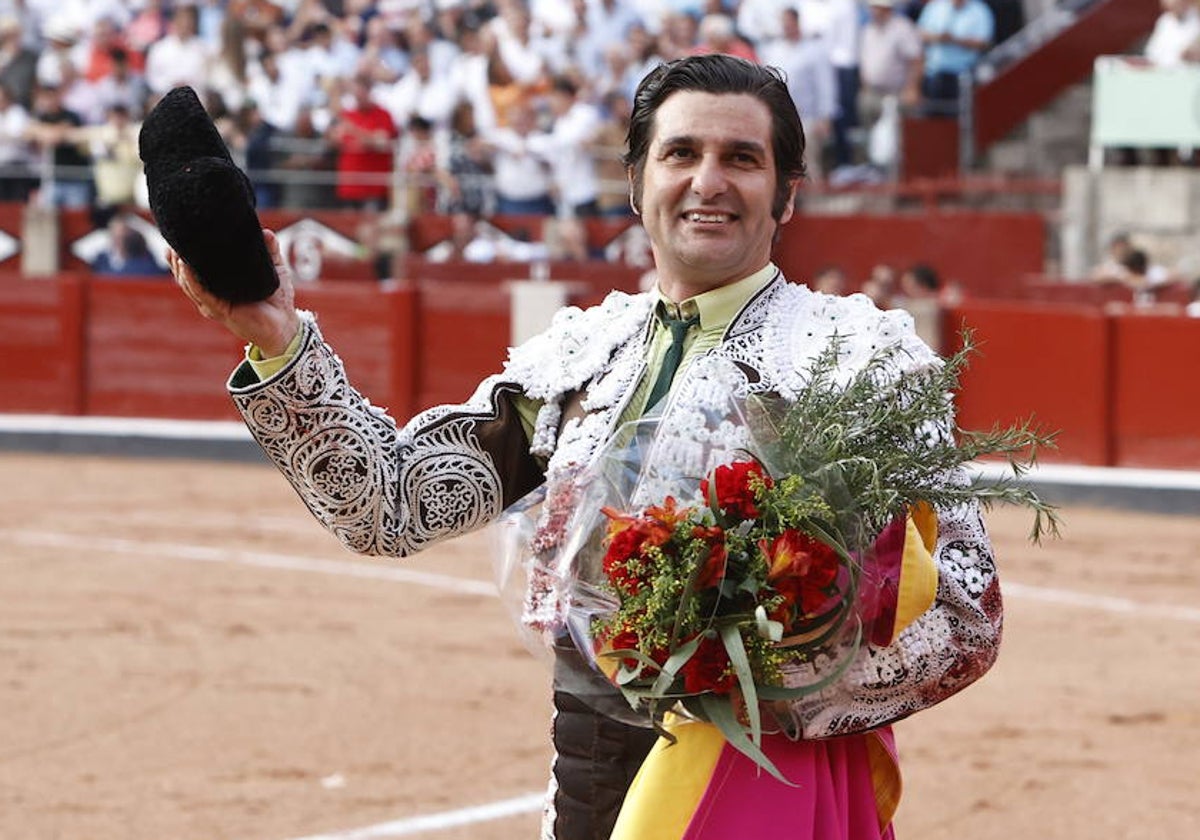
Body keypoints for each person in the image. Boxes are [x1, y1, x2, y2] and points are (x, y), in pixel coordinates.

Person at [169, 54, 1001, 840]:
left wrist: (744, 674)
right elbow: (392, 506)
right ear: (636, 183)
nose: (708, 182)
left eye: (741, 159)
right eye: (681, 153)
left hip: (766, 773)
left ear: (786, 195)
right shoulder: (577, 361)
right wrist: (278, 340)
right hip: (592, 771)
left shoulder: (855, 361)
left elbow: (966, 617)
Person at [916, 0, 994, 116]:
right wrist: (938, 37)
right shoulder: (935, 6)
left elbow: (984, 43)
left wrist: (955, 40)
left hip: (964, 74)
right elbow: (919, 33)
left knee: (961, 118)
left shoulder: (980, 10)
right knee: (931, 117)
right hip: (933, 74)